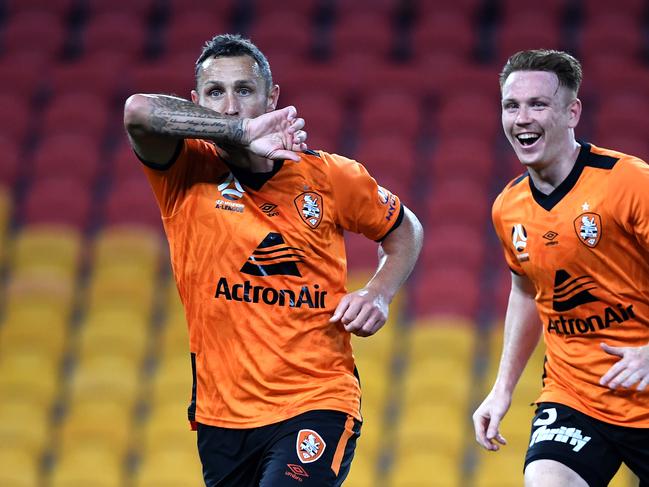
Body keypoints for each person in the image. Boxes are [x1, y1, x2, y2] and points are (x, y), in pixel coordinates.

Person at [123, 34, 423, 487]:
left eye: (244, 91)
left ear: (272, 97)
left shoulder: (329, 176)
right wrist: (240, 134)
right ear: (195, 101)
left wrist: (378, 292)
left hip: (316, 400)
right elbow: (138, 111)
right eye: (214, 93)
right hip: (221, 417)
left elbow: (406, 229)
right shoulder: (183, 169)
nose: (229, 106)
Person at [472, 49, 649, 486]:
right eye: (511, 106)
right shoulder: (507, 207)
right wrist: (503, 387)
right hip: (576, 395)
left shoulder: (628, 183)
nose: (522, 118)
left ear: (572, 112)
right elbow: (527, 291)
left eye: (538, 104)